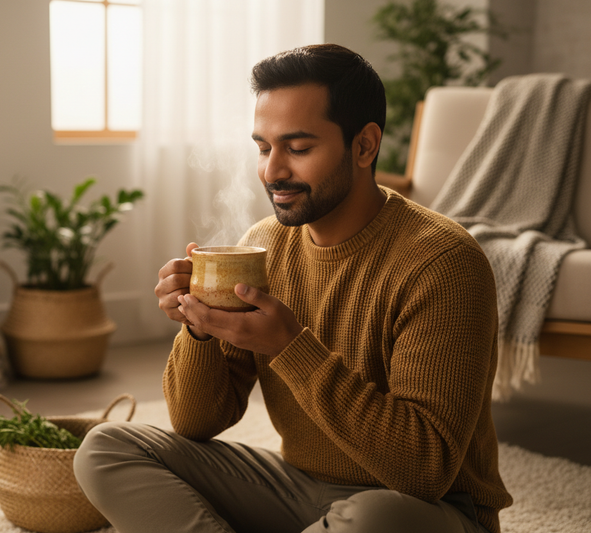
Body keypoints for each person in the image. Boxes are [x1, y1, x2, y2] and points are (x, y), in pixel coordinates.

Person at [74, 43, 512, 533]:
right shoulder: (263, 246)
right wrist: (196, 329)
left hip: (425, 511)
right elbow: (197, 424)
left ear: (364, 146)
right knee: (106, 448)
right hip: (300, 490)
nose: (271, 171)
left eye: (298, 149)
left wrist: (289, 346)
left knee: (371, 517)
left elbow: (424, 471)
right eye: (263, 147)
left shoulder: (442, 261)